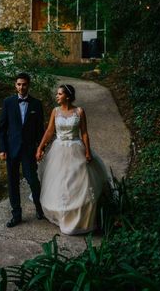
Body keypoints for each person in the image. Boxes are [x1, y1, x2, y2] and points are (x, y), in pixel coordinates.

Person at [35, 84, 110, 235]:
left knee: (77, 182)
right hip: (59, 149)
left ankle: (79, 216)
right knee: (59, 181)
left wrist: (88, 151)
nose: (57, 96)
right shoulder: (55, 112)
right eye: (57, 94)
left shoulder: (79, 111)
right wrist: (40, 147)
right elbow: (50, 131)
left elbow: (84, 133)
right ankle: (61, 213)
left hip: (76, 148)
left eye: (60, 94)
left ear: (67, 96)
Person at [0, 72, 45, 227]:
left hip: (29, 149)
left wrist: (40, 148)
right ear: (15, 85)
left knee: (32, 180)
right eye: (18, 84)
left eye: (24, 84)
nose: (21, 87)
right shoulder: (8, 102)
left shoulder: (36, 104)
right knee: (12, 183)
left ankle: (39, 208)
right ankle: (16, 215)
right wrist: (2, 149)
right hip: (11, 149)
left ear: (28, 85)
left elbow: (40, 130)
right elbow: (2, 129)